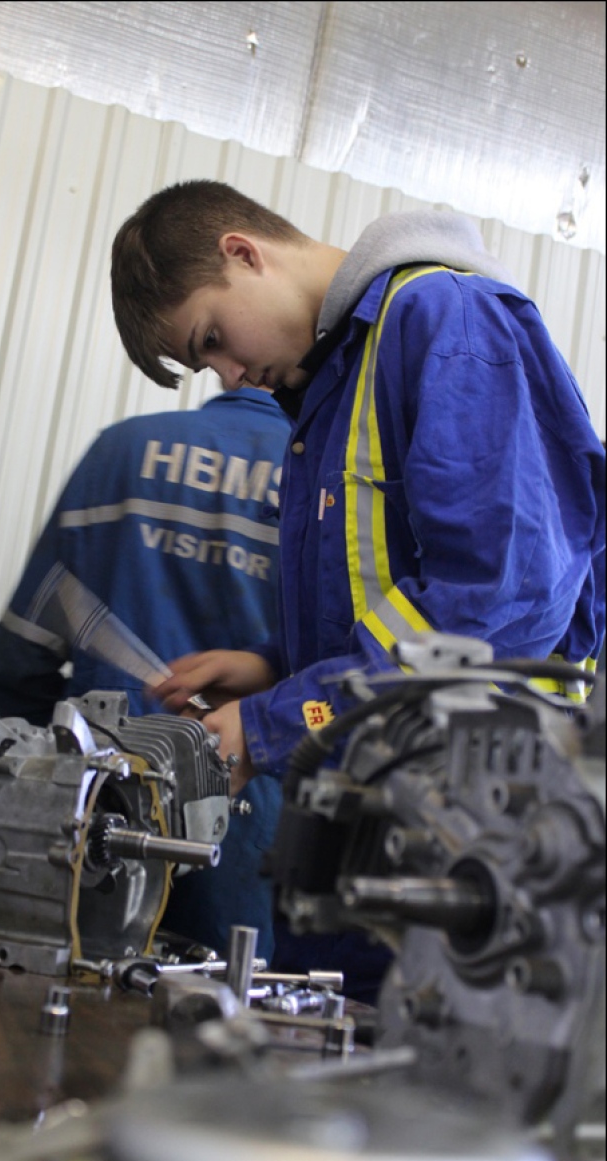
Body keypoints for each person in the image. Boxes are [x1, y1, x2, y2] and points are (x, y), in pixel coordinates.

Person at [109, 181, 606, 985]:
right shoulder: (329, 390)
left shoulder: (444, 320)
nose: (231, 374)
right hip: (366, 843)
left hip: (468, 854)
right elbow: (392, 602)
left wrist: (274, 720)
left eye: (213, 339)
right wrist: (274, 663)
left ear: (243, 251)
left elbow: (501, 603)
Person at [0, 387, 292, 964]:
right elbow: (342, 676)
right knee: (218, 1018)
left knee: (54, 997)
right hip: (246, 817)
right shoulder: (320, 478)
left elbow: (16, 663)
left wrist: (47, 782)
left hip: (91, 808)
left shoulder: (119, 452)